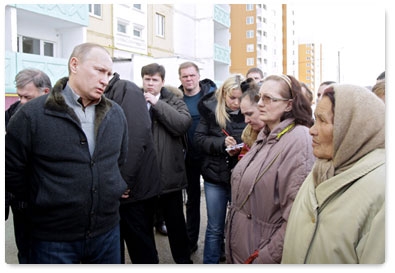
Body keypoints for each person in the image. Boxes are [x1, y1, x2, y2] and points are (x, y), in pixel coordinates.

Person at [5, 43, 129, 264]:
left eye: (109, 74)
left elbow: (119, 161)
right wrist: (42, 201)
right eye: (99, 70)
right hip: (52, 239)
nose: (105, 80)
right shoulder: (31, 115)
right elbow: (13, 172)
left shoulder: (116, 113)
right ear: (74, 65)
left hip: (107, 232)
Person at [282, 84, 385, 264]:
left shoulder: (383, 189)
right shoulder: (323, 168)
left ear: (353, 129)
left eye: (323, 121)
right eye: (315, 120)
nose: (312, 130)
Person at [225, 74, 315, 264]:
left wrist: (265, 258)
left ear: (289, 105)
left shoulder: (299, 139)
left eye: (269, 99)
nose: (260, 104)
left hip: (261, 254)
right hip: (246, 246)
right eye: (260, 97)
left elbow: (296, 218)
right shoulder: (265, 135)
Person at [104, 72, 162, 263]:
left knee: (141, 247)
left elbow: (136, 138)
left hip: (133, 190)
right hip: (117, 188)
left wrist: (123, 182)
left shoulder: (126, 90)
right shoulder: (104, 93)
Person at [141, 63, 193, 264]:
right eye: (147, 79)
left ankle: (183, 262)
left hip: (169, 176)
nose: (150, 83)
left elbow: (181, 125)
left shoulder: (174, 100)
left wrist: (156, 103)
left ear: (162, 82)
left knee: (176, 224)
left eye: (154, 80)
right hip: (144, 178)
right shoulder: (136, 100)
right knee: (144, 225)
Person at [195, 74, 247, 263]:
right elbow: (199, 140)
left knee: (237, 227)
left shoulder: (251, 113)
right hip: (214, 177)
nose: (236, 103)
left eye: (240, 98)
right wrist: (221, 143)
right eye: (232, 97)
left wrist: (240, 147)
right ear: (223, 95)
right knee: (215, 227)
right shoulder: (211, 112)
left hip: (240, 178)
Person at [5, 68, 52, 264]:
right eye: (19, 96)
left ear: (46, 92)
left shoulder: (59, 117)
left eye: (27, 97)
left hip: (48, 203)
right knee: (25, 251)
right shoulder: (14, 112)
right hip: (21, 202)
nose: (22, 102)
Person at [178, 61, 217, 253]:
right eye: (185, 76)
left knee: (215, 202)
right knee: (192, 202)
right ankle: (190, 242)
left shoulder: (211, 97)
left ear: (198, 76)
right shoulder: (176, 100)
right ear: (180, 79)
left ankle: (218, 243)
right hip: (188, 158)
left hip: (210, 156)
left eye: (192, 75)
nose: (189, 79)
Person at [238, 77, 265, 160]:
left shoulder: (286, 137)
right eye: (244, 115)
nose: (246, 120)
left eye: (249, 114)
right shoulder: (248, 136)